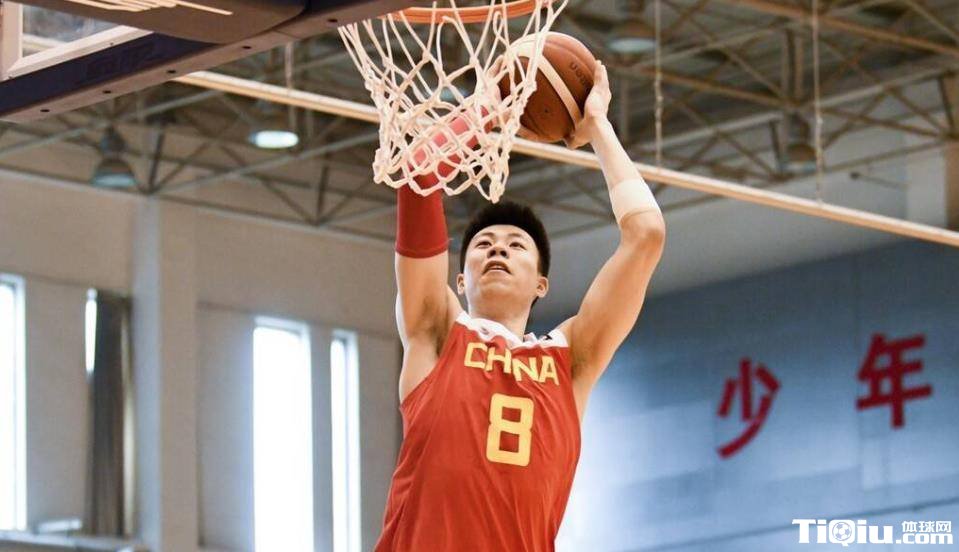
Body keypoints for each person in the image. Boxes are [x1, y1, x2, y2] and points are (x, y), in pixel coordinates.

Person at [374, 63, 666, 551]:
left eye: (515, 246)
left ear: (541, 284)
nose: (498, 249)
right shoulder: (437, 330)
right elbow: (419, 173)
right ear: (460, 280)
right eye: (483, 244)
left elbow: (647, 234)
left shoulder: (570, 360)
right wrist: (490, 106)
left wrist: (597, 127)